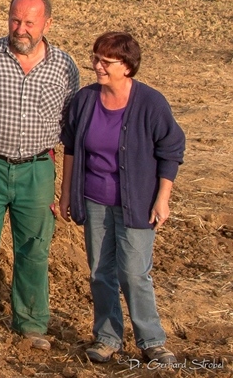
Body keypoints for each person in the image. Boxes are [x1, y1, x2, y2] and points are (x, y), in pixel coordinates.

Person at [0, 0, 80, 350]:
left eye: (29, 21)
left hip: (37, 168)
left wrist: (67, 187)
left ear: (47, 22)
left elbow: (71, 126)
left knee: (34, 247)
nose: (20, 28)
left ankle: (30, 322)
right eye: (15, 19)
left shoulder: (65, 66)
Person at [59, 32, 184, 365]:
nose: (97, 66)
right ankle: (107, 336)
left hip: (137, 202)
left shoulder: (150, 103)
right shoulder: (85, 100)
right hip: (95, 200)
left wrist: (163, 198)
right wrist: (67, 193)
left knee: (133, 272)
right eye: (95, 58)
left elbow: (171, 150)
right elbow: (71, 148)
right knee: (101, 271)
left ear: (127, 66)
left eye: (106, 61)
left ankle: (152, 340)